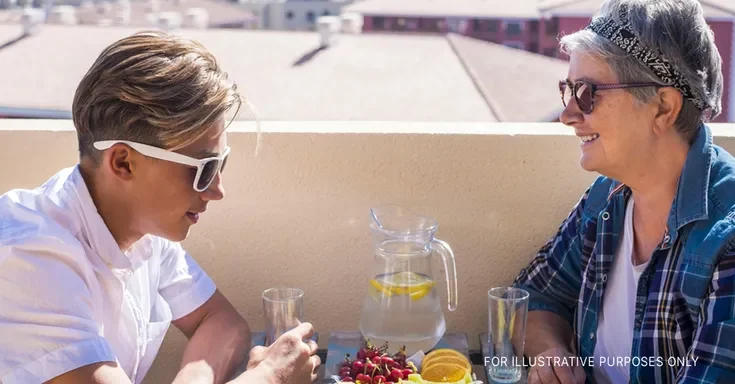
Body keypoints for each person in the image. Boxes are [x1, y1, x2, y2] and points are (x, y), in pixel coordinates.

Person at [0, 31, 320, 384]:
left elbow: (220, 322)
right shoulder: (30, 260)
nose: (217, 191)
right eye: (203, 169)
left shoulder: (138, 224)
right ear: (123, 163)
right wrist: (269, 378)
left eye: (220, 164)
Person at [511, 0, 735, 383]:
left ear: (663, 107)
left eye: (588, 92)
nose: (568, 114)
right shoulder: (607, 200)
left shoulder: (726, 240)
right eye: (569, 89)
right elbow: (531, 298)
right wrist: (551, 351)